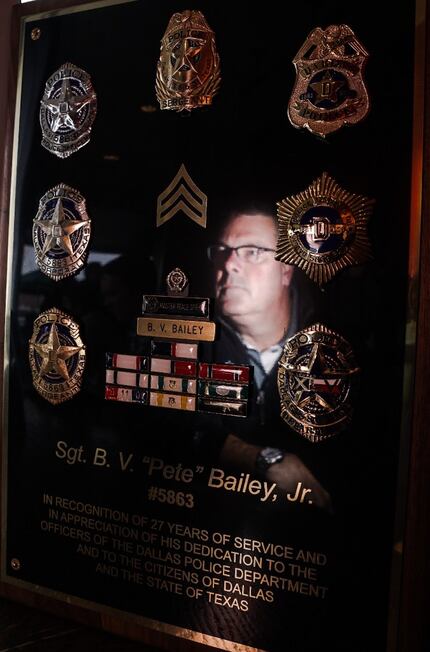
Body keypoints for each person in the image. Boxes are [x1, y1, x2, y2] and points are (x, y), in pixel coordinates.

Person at [201, 205, 332, 511]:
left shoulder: (331, 347)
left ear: (286, 270)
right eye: (222, 250)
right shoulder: (196, 343)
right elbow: (169, 429)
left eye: (253, 252)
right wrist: (257, 458)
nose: (230, 263)